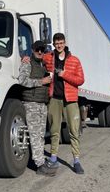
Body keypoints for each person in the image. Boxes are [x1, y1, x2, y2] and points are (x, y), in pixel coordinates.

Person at [43, 33, 85, 174]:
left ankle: (76, 160)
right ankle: (53, 158)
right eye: (56, 43)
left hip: (71, 100)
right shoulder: (49, 57)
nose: (59, 45)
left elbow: (80, 80)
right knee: (54, 130)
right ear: (54, 44)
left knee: (73, 130)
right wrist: (26, 58)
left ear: (65, 43)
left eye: (61, 43)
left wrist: (64, 74)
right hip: (55, 99)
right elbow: (37, 59)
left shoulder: (74, 60)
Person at [18, 40, 58, 176]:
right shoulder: (27, 63)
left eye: (42, 49)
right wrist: (42, 82)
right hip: (31, 104)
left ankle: (40, 160)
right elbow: (22, 81)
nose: (40, 52)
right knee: (35, 135)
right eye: (37, 49)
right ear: (33, 49)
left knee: (40, 135)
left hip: (42, 104)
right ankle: (39, 165)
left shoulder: (43, 65)